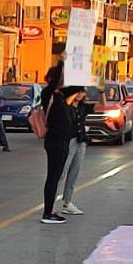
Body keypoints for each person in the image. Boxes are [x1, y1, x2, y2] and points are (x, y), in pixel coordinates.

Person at [40, 85, 83, 224]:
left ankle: (49, 211)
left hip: (58, 142)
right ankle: (48, 213)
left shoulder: (60, 101)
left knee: (54, 177)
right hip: (56, 143)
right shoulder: (53, 98)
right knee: (54, 177)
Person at [56, 86, 90, 215]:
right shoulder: (67, 107)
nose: (81, 94)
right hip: (68, 141)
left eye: (83, 91)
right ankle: (50, 203)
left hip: (81, 141)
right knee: (62, 172)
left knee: (74, 172)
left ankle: (67, 202)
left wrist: (101, 91)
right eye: (78, 91)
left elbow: (101, 105)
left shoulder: (82, 107)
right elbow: (66, 104)